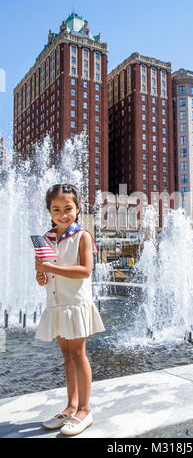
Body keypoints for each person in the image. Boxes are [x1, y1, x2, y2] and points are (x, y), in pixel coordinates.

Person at [34, 183, 105, 436]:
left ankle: (85, 410)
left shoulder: (82, 235)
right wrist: (41, 275)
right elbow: (42, 274)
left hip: (75, 303)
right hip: (56, 304)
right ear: (49, 211)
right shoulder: (46, 238)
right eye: (56, 209)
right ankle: (70, 406)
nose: (63, 214)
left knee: (78, 354)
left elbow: (85, 270)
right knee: (67, 357)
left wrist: (49, 269)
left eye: (68, 208)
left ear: (77, 208)